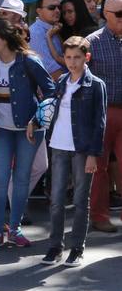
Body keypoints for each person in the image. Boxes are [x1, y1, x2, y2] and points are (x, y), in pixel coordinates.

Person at [0, 17, 55, 250]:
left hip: (28, 129)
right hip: (0, 128)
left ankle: (15, 228)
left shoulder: (29, 61)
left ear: (6, 37)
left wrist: (36, 120)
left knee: (21, 179)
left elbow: (51, 91)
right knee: (0, 179)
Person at [31, 36, 106, 266]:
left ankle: (77, 248)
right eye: (68, 57)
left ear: (87, 58)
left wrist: (94, 153)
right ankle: (55, 247)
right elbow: (50, 107)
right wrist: (34, 120)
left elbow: (99, 122)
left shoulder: (95, 85)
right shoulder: (62, 81)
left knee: (81, 200)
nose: (72, 62)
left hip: (83, 149)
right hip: (59, 146)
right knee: (56, 200)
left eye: (77, 57)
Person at [85, 0, 122, 233]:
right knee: (98, 167)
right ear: (105, 14)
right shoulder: (92, 43)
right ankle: (98, 216)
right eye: (119, 14)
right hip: (102, 113)